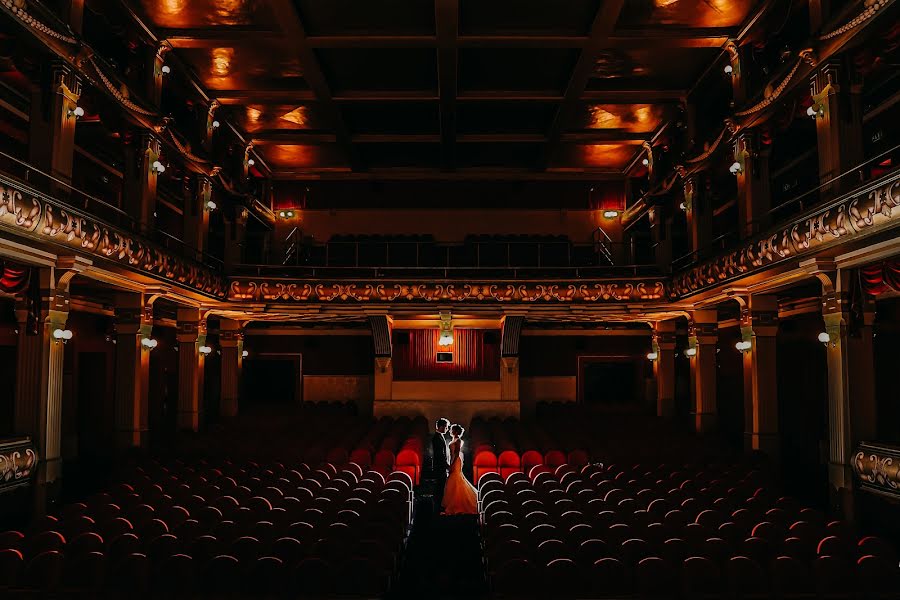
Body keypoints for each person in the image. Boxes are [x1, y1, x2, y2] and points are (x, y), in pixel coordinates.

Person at [441, 424, 478, 515]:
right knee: (454, 479)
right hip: (453, 460)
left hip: (456, 461)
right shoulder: (454, 440)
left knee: (456, 478)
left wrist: (452, 464)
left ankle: (457, 503)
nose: (450, 431)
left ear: (456, 431)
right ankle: (453, 501)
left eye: (452, 429)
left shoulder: (458, 441)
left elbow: (456, 454)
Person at [431, 417, 450, 515]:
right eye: (446, 427)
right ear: (441, 427)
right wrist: (446, 465)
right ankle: (438, 509)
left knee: (441, 487)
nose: (447, 429)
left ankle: (439, 507)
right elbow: (439, 454)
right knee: (439, 488)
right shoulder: (437, 437)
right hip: (440, 466)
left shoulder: (439, 436)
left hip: (440, 466)